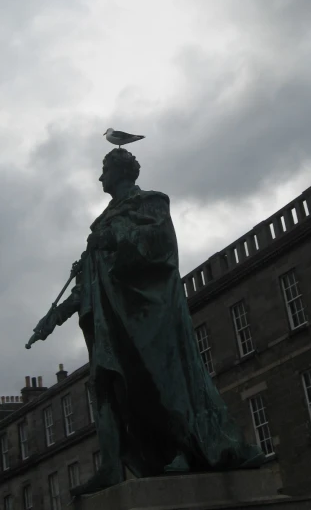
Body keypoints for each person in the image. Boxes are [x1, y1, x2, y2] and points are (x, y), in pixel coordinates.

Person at [28, 148, 265, 496]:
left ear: (122, 172)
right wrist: (56, 316)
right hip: (111, 325)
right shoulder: (100, 225)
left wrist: (114, 238)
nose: (100, 178)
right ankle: (111, 468)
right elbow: (88, 285)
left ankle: (186, 449)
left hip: (147, 316)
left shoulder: (151, 204)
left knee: (161, 384)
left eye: (104, 169)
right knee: (107, 388)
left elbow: (160, 245)